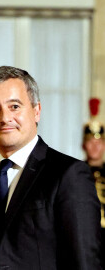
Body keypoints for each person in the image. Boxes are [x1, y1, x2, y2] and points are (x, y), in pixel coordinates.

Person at [0, 66, 102, 270]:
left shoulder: (68, 175)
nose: (5, 118)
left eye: (14, 106)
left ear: (36, 111)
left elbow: (86, 263)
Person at [82, 97, 105, 267]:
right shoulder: (76, 172)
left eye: (99, 142)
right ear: (84, 145)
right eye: (91, 142)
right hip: (85, 238)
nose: (95, 147)